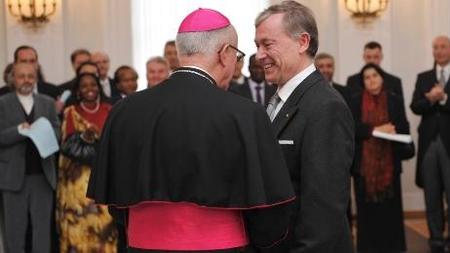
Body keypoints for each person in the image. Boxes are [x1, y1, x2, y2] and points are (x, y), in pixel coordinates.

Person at [87, 7, 295, 252]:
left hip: (143, 245)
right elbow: (269, 216)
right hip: (222, 247)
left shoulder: (124, 110)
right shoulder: (246, 114)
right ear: (225, 53)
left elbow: (117, 204)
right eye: (237, 56)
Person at [254, 1, 355, 252]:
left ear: (302, 42)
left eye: (267, 44)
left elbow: (324, 214)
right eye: (257, 45)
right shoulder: (280, 99)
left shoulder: (325, 106)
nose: (258, 55)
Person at [350, 63, 415, 253]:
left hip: (390, 165)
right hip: (363, 167)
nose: (371, 80)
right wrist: (376, 130)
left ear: (382, 78)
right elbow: (351, 128)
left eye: (375, 75)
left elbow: (403, 126)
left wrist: (394, 130)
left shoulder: (394, 99)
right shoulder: (355, 100)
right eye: (367, 77)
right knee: (367, 215)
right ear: (363, 82)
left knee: (390, 214)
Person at [410, 36, 450, 253]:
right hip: (429, 144)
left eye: (443, 47)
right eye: (435, 47)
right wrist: (430, 99)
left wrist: (443, 98)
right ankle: (436, 238)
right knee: (431, 195)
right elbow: (415, 106)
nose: (439, 51)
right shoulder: (424, 77)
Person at [0, 62, 59, 252]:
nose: (26, 80)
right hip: (13, 177)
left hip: (43, 176)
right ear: (13, 79)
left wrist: (47, 132)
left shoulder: (47, 102)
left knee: (42, 231)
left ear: (36, 78)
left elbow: (58, 132)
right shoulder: (2, 103)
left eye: (30, 76)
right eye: (21, 76)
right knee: (14, 232)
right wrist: (19, 130)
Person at [56, 73, 117, 252]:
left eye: (93, 84)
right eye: (84, 86)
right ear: (77, 91)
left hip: (104, 180)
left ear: (99, 87)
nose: (89, 89)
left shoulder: (110, 109)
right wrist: (84, 136)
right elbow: (67, 146)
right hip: (76, 185)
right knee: (78, 228)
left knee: (104, 227)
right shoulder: (71, 112)